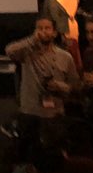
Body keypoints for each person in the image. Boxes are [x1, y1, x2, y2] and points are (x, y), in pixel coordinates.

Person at [5, 18, 79, 152]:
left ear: (55, 33)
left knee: (53, 153)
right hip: (30, 112)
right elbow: (9, 51)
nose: (43, 32)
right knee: (27, 153)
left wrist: (61, 87)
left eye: (47, 28)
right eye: (39, 28)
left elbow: (75, 86)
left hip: (54, 114)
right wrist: (32, 40)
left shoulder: (65, 57)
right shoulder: (27, 52)